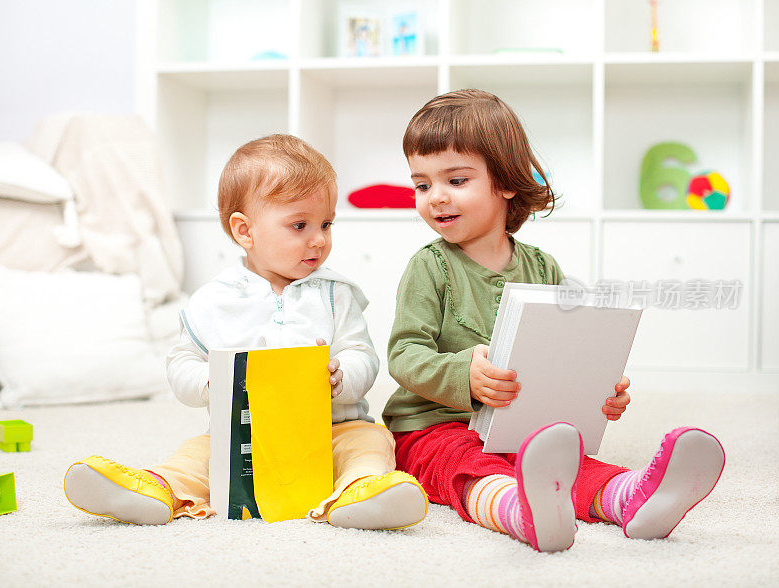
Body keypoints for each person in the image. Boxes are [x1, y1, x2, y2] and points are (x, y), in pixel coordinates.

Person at [383, 89, 725, 552]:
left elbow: (566, 350)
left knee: (563, 459)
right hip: (435, 426)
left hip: (514, 424)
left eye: (456, 180)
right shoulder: (430, 266)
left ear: (505, 182)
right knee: (464, 464)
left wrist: (596, 387)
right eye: (422, 185)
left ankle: (630, 499)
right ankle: (518, 511)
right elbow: (404, 356)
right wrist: (463, 372)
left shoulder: (543, 268)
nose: (435, 198)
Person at [64, 134, 428, 530]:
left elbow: (363, 354)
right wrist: (211, 381)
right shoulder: (212, 301)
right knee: (199, 454)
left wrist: (344, 374)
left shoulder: (335, 294)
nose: (319, 239)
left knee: (371, 442)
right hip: (244, 436)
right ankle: (155, 488)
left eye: (326, 224)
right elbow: (181, 363)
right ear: (244, 231)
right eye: (299, 225)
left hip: (331, 428)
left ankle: (363, 491)